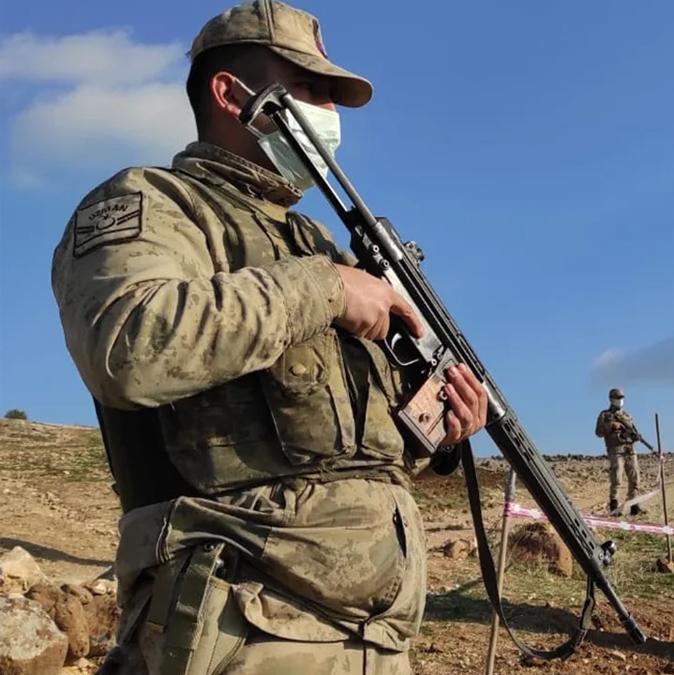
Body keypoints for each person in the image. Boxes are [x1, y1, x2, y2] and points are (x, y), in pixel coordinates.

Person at [49, 2, 489, 673]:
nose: (329, 115)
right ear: (231, 95)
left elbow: (356, 454)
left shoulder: (315, 243)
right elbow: (126, 346)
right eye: (311, 91)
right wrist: (327, 291)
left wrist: (440, 431)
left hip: (378, 639)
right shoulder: (153, 203)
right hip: (242, 627)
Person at [594, 388, 642, 516]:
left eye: (621, 398)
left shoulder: (627, 416)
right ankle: (614, 506)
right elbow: (598, 432)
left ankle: (634, 505)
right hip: (616, 450)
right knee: (617, 477)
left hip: (629, 449)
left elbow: (635, 432)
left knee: (635, 478)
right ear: (611, 399)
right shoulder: (605, 415)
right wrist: (611, 426)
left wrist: (635, 437)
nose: (620, 401)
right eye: (617, 398)